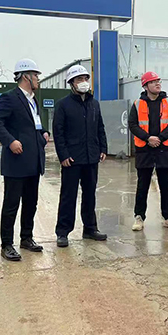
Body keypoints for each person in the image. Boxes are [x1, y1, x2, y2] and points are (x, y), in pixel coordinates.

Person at [0, 58, 50, 261]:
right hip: (16, 162)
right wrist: (10, 141)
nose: (38, 79)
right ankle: (7, 244)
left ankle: (26, 238)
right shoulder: (9, 98)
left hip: (34, 161)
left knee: (31, 203)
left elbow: (35, 124)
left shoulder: (33, 99)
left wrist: (44, 132)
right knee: (11, 204)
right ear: (26, 76)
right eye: (36, 76)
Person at [53, 65, 108, 247]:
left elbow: (100, 127)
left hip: (91, 157)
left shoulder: (94, 104)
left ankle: (90, 228)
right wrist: (63, 155)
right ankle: (63, 232)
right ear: (71, 83)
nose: (83, 82)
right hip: (72, 159)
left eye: (85, 78)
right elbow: (58, 132)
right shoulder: (63, 105)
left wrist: (103, 148)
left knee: (90, 195)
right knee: (68, 196)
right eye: (79, 79)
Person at [128, 71, 168, 232]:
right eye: (153, 82)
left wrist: (160, 138)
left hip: (164, 149)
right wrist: (148, 138)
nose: (157, 84)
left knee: (166, 185)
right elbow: (132, 124)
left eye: (158, 81)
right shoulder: (137, 104)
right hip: (145, 150)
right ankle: (139, 217)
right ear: (145, 86)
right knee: (142, 185)